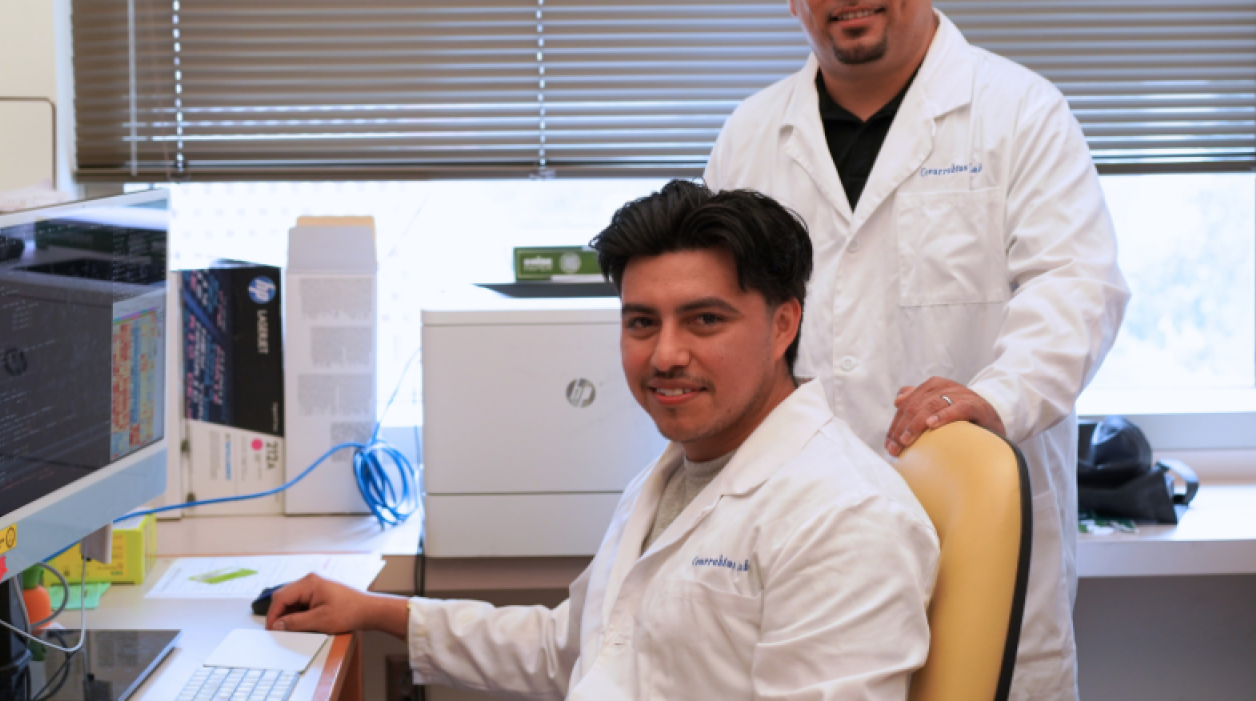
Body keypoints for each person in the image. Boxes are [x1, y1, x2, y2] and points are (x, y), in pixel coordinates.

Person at [703, 0, 1131, 701]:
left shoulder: (1020, 113)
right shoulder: (751, 135)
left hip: (970, 546)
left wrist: (994, 398)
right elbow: (721, 323)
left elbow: (1079, 284)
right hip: (803, 545)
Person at [267, 180, 939, 700]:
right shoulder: (677, 472)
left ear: (783, 324)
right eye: (642, 322)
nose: (665, 354)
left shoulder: (845, 518)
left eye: (705, 319)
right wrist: (376, 610)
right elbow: (576, 645)